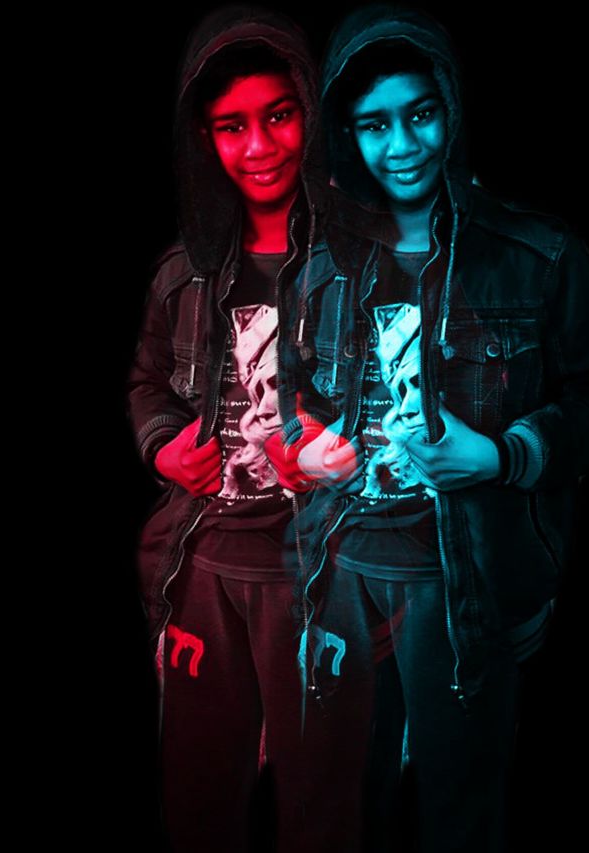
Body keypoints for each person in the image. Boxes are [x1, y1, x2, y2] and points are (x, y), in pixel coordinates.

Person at [268, 3, 589, 851]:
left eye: (420, 113)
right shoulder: (320, 262)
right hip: (338, 582)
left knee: (460, 816)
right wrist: (304, 446)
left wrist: (502, 454)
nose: (403, 145)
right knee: (341, 810)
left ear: (452, 110)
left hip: (467, 589)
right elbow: (292, 393)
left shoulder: (537, 256)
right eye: (374, 125)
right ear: (346, 135)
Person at [124, 5, 329, 851]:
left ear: (311, 111)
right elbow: (147, 382)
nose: (259, 147)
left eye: (279, 115)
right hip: (202, 565)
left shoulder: (365, 262)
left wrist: (338, 453)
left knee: (326, 805)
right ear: (203, 139)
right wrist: (164, 447)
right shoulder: (184, 272)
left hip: (325, 575)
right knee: (201, 800)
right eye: (230, 126)